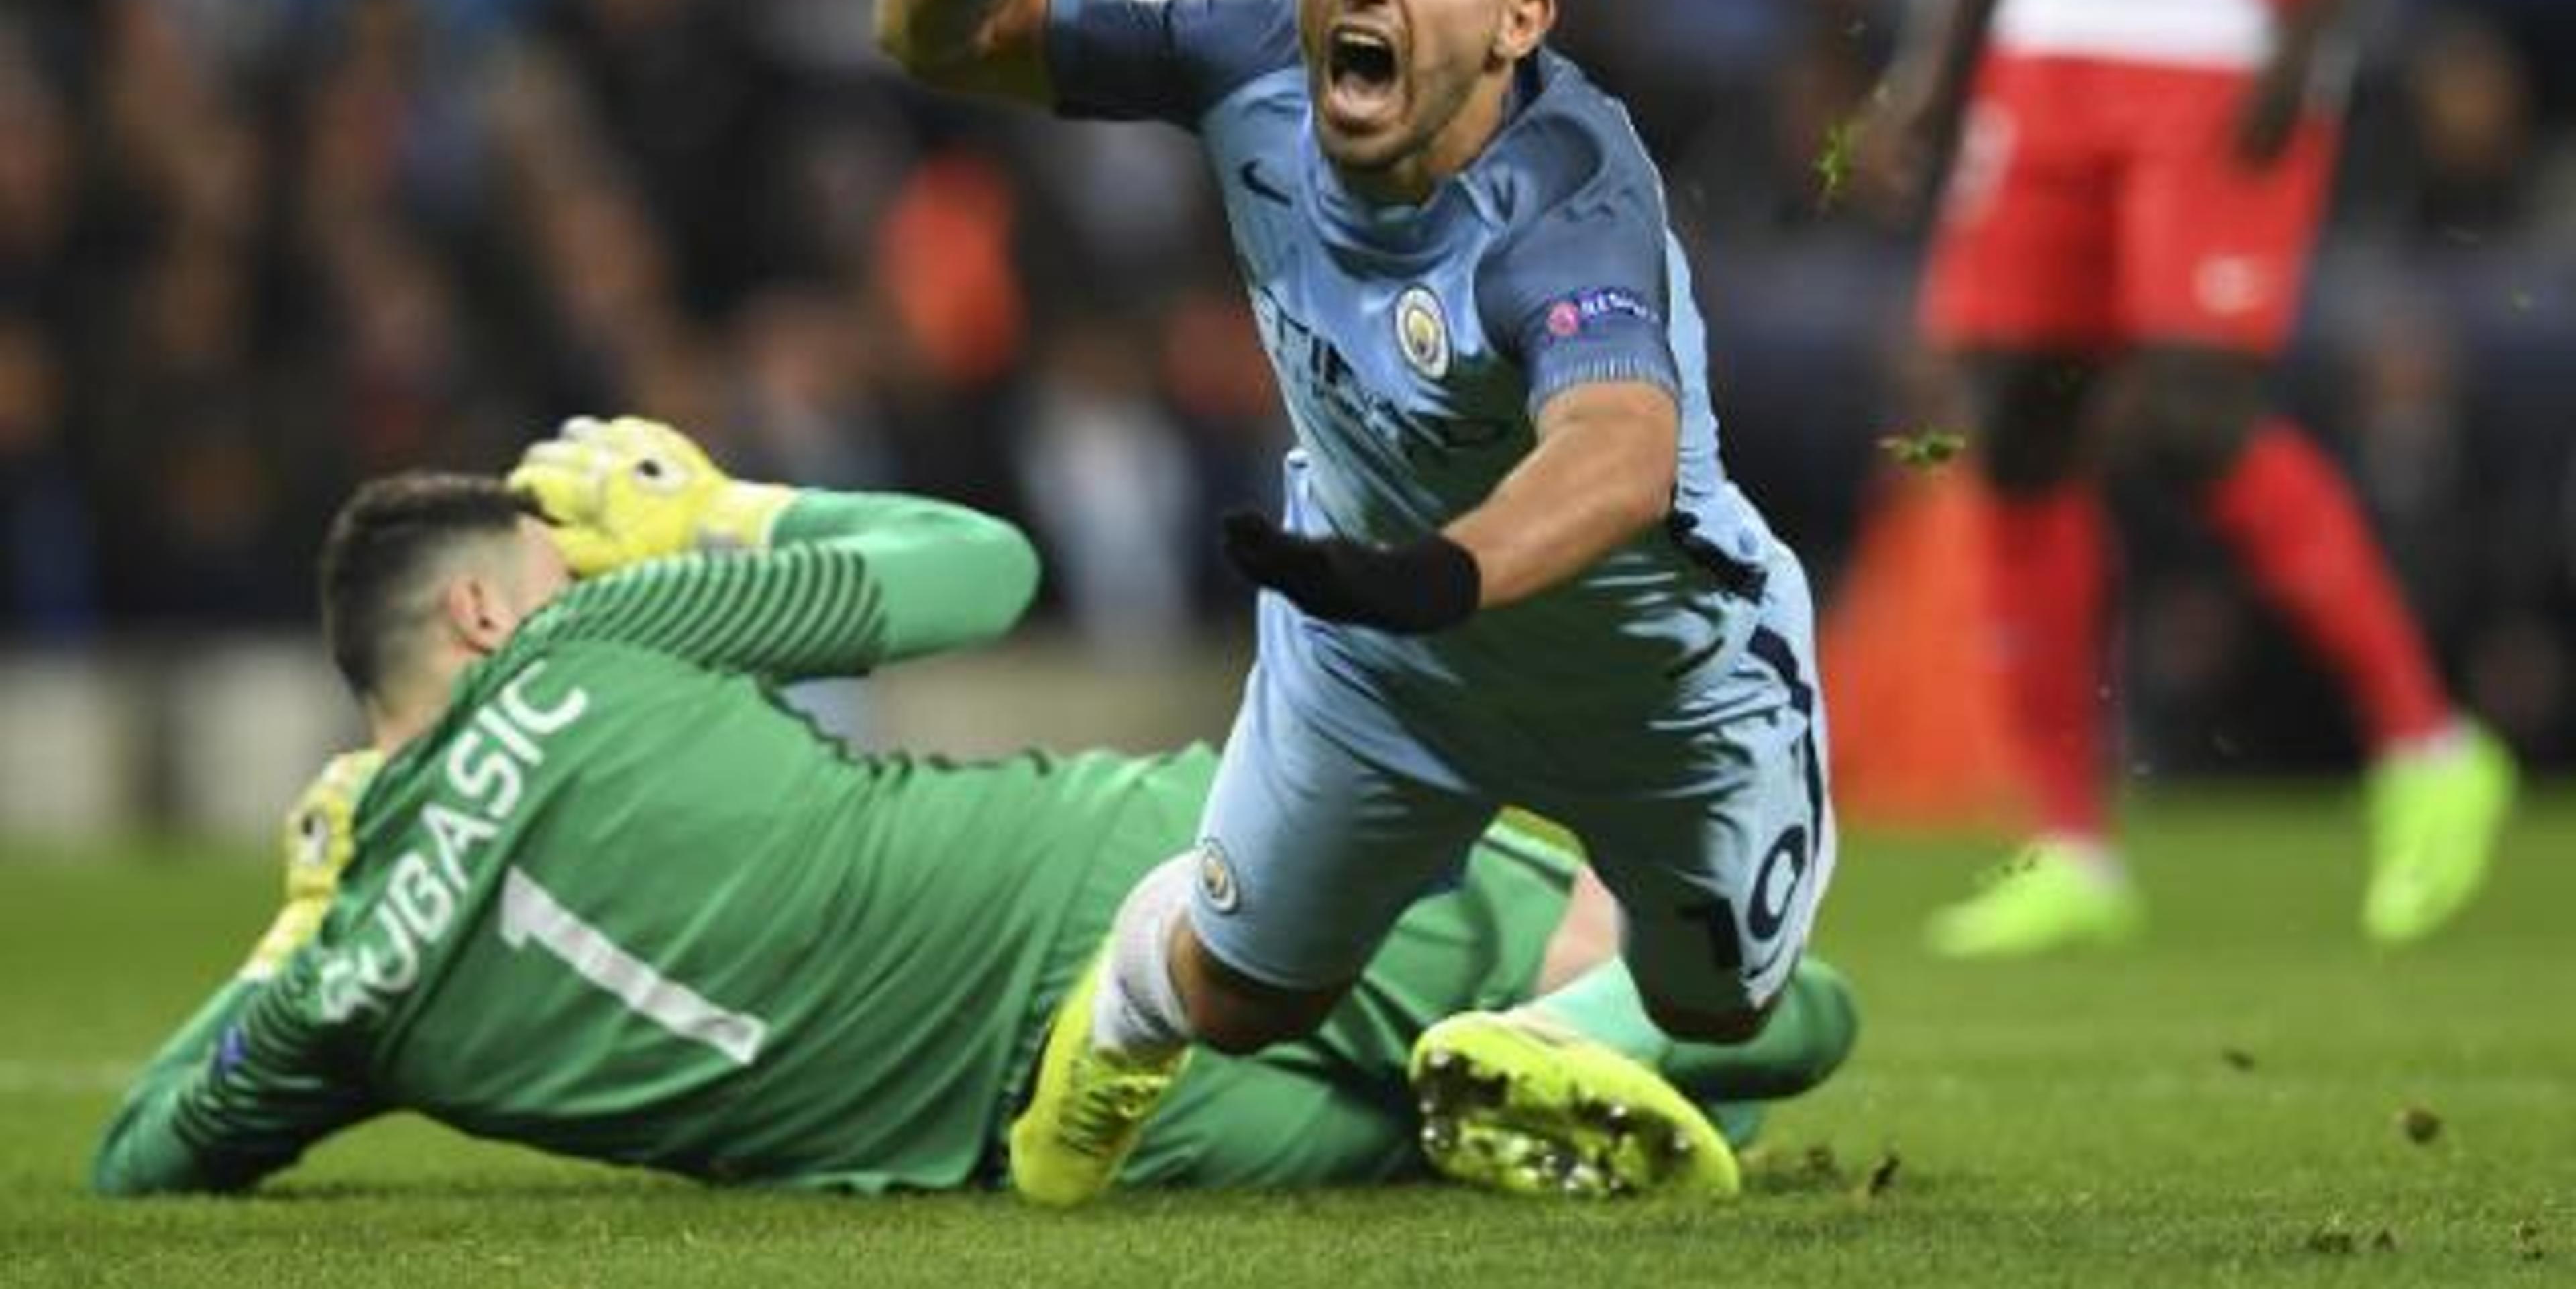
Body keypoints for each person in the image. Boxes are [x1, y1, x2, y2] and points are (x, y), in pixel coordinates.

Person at [874, 0, 1839, 1206]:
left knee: (1719, 1008)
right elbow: (932, 41)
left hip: (1653, 663)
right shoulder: (1249, 53)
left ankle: (1537, 1032)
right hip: (1379, 646)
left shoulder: (1570, 194)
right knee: (1253, 1001)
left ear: (1520, 20)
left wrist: (1437, 574)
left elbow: (1621, 453)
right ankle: (1124, 1017)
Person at [91, 417, 1858, 1198]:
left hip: (1050, 1141)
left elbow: (142, 1151)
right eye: (556, 557)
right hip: (1123, 871)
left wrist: (296, 940)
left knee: (1516, 1126)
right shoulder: (601, 638)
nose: (582, 567)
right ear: (485, 613)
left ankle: (1541, 1049)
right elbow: (982, 566)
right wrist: (715, 507)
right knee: (1766, 1000)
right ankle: (1572, 1020)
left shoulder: (345, 998)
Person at [1868, 0, 2514, 957]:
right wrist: (1935, 73)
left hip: (2228, 37)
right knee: (2014, 425)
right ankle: (2069, 844)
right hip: (2048, 48)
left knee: (2191, 413)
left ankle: (2428, 744)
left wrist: (2318, 22)